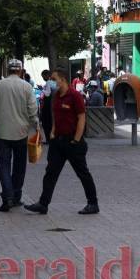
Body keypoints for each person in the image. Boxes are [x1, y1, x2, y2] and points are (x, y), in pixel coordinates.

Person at [25, 68, 100, 215]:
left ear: (63, 79)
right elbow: (56, 115)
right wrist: (52, 132)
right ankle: (43, 204)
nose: (51, 82)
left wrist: (76, 140)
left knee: (82, 173)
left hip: (72, 141)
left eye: (54, 79)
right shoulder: (56, 96)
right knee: (50, 173)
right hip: (57, 142)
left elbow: (81, 118)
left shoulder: (75, 96)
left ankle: (93, 203)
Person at [0, 59, 39, 212]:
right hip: (21, 133)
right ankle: (16, 196)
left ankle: (7, 197)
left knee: (3, 166)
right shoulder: (27, 87)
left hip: (2, 133)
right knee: (19, 167)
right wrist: (37, 128)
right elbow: (32, 111)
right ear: (21, 71)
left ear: (7, 70)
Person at [40, 70, 56, 144]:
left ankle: (49, 139)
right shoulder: (53, 83)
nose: (43, 78)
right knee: (50, 122)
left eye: (43, 76)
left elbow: (47, 94)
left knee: (46, 122)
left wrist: (42, 89)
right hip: (53, 104)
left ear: (46, 75)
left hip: (48, 105)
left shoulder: (48, 83)